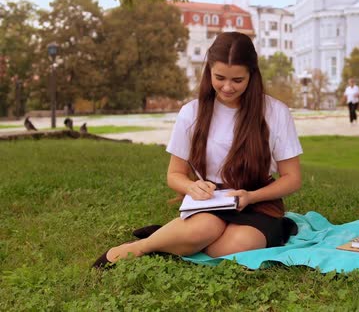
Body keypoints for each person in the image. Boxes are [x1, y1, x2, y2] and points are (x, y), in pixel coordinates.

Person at [93, 32, 303, 268]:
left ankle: (172, 239)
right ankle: (140, 247)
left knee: (235, 246)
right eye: (220, 77)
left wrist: (251, 196)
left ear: (252, 75)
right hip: (211, 200)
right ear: (209, 71)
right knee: (205, 229)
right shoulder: (191, 113)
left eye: (238, 80)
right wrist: (191, 186)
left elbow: (292, 178)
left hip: (259, 201)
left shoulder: (275, 112)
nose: (227, 87)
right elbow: (174, 175)